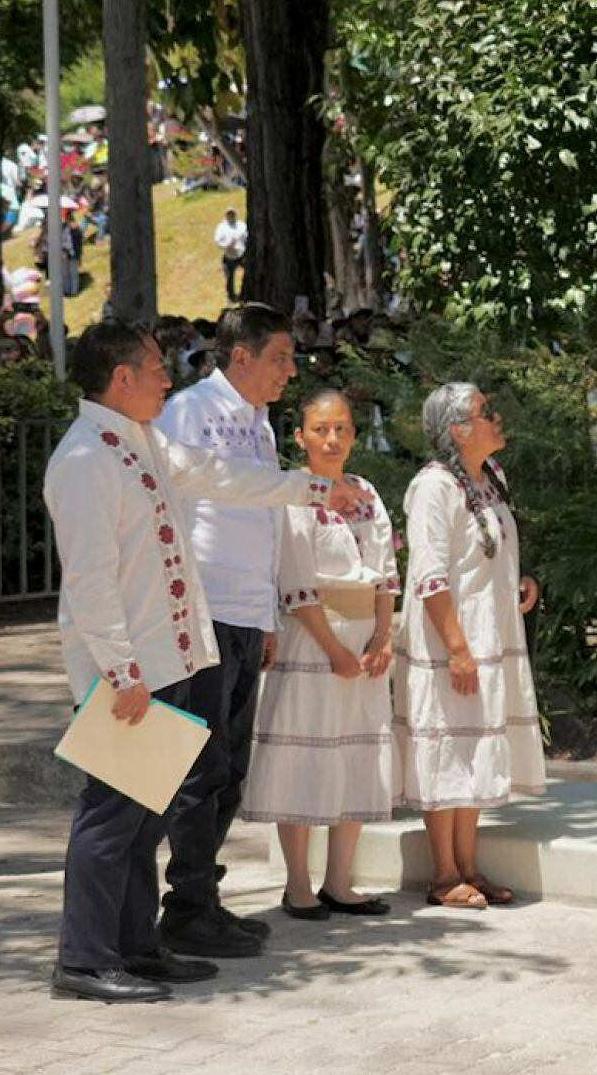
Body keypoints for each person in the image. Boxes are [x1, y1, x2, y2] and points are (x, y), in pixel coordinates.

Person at [44, 323, 367, 1002]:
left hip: (165, 659)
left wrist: (313, 489)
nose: (168, 377)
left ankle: (135, 946)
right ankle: (84, 958)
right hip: (128, 671)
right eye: (155, 367)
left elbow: (222, 476)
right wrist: (122, 673)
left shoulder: (141, 440)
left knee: (145, 817)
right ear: (121, 377)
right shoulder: (85, 457)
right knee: (111, 816)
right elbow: (90, 581)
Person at [151, 303, 299, 958]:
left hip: (245, 613)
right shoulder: (189, 412)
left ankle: (202, 897)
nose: (290, 371)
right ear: (241, 357)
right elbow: (171, 513)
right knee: (201, 765)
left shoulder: (260, 422)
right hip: (202, 612)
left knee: (232, 766)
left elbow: (262, 521)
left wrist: (267, 615)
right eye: (280, 358)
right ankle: (186, 907)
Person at [241, 390, 398, 920]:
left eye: (341, 429)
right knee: (305, 753)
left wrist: (383, 636)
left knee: (354, 752)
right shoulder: (295, 495)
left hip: (363, 640)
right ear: (301, 436)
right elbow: (295, 581)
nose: (332, 439)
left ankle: (340, 881)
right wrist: (333, 649)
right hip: (313, 639)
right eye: (321, 429)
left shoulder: (367, 493)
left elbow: (385, 571)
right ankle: (298, 884)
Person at [393, 382, 544, 909]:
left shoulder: (491, 477)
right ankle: (443, 875)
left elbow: (485, 552)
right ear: (458, 430)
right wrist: (456, 648)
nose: (496, 417)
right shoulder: (433, 487)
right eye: (485, 412)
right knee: (445, 746)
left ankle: (469, 867)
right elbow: (429, 576)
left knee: (474, 746)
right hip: (449, 640)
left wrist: (518, 582)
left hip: (488, 633)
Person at [213, 208, 248, 303]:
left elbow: (247, 237)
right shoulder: (221, 227)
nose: (231, 215)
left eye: (232, 214)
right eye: (229, 214)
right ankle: (231, 297)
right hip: (229, 256)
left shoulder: (241, 225)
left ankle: (246, 292)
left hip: (242, 254)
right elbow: (218, 241)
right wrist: (227, 245)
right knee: (229, 278)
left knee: (249, 273)